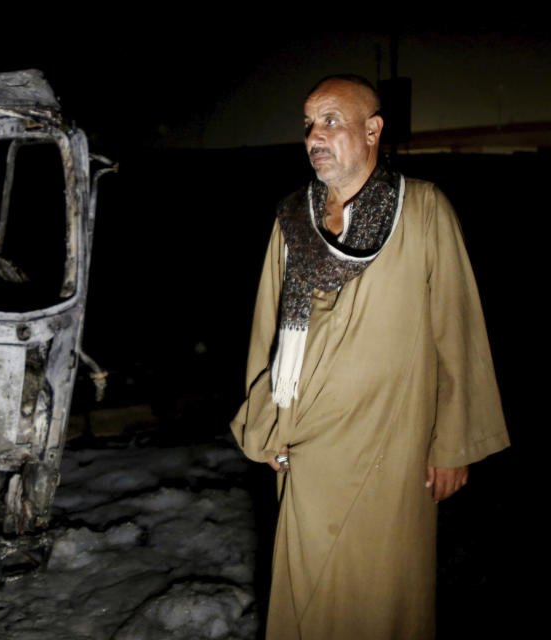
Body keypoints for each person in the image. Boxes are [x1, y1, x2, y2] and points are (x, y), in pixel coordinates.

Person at [229, 75, 510, 640]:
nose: (315, 136)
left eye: (331, 121)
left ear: (373, 130)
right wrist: (264, 425)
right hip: (305, 442)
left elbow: (457, 330)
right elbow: (268, 334)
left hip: (393, 448)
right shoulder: (293, 219)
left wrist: (454, 443)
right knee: (307, 596)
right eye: (309, 124)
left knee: (385, 597)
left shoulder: (424, 208)